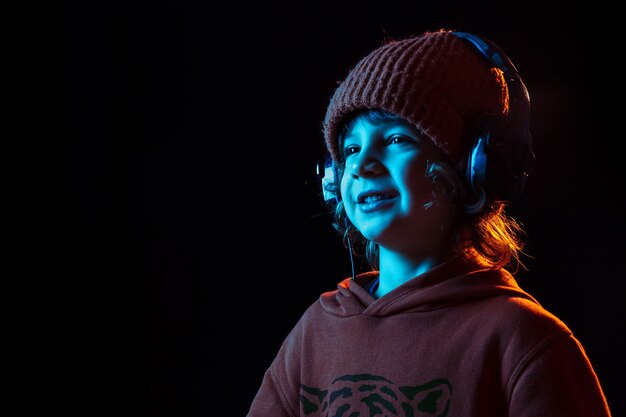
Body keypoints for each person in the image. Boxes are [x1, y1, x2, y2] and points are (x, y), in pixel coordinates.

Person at [247, 29, 612, 417]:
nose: (362, 166)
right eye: (351, 148)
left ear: (473, 165)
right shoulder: (315, 333)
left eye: (397, 140)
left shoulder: (523, 340)